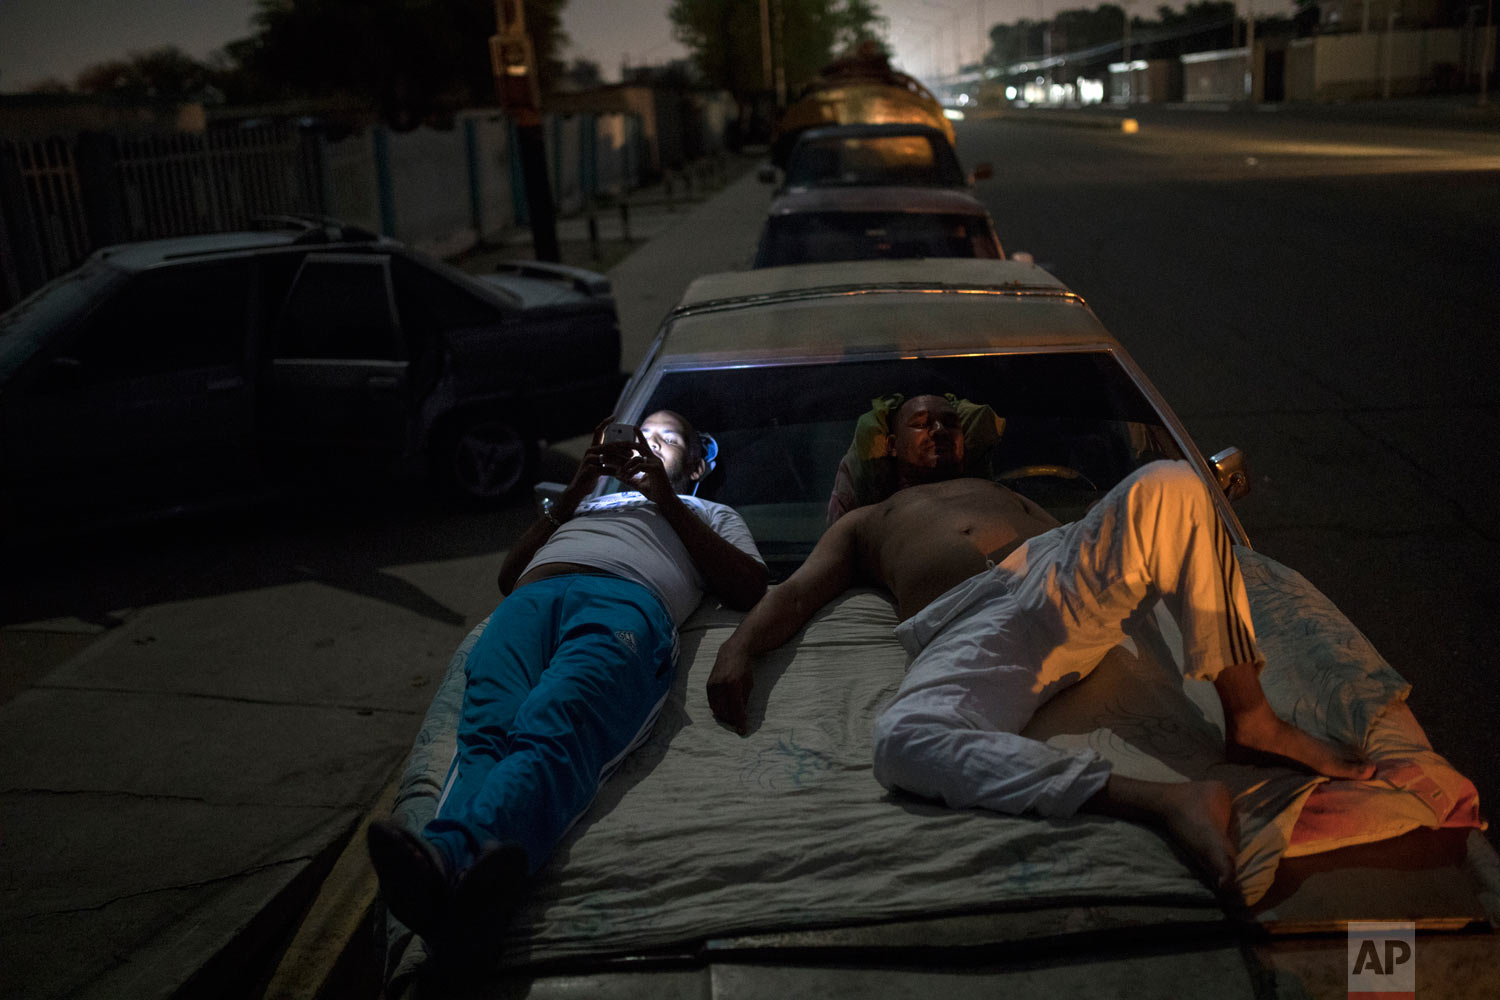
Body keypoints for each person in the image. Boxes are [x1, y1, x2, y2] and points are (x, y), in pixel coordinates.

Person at [707, 394, 1373, 894]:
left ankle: (1251, 718)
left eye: (948, 420)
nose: (938, 428)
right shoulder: (866, 518)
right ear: (888, 446)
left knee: (1171, 480)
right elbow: (792, 594)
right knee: (905, 740)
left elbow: (1126, 540)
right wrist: (738, 648)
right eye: (920, 421)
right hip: (970, 626)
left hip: (1056, 578)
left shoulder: (1009, 493)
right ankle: (1168, 800)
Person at [370, 410, 767, 970]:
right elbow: (509, 575)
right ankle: (470, 901)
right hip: (531, 599)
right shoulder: (585, 505)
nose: (649, 443)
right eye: (641, 434)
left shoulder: (710, 512)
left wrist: (666, 500)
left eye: (667, 439)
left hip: (624, 602)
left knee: (556, 723)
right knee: (487, 734)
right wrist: (580, 486)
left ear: (699, 463)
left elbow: (751, 585)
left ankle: (447, 863)